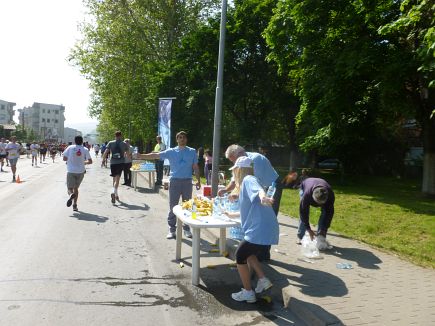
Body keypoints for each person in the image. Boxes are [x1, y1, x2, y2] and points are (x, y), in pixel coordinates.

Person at [228, 156, 279, 303]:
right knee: (248, 254)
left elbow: (259, 194)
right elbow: (249, 208)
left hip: (259, 229)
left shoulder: (248, 179)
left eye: (235, 170)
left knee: (239, 255)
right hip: (264, 227)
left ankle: (248, 292)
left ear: (239, 170)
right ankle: (263, 280)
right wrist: (230, 214)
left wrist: (264, 198)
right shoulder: (250, 180)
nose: (234, 173)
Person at [218, 144, 282, 260]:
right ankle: (255, 252)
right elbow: (236, 180)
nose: (234, 164)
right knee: (256, 215)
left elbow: (253, 185)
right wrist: (225, 190)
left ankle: (263, 253)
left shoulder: (254, 160)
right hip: (261, 189)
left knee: (266, 217)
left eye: (234, 161)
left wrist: (238, 195)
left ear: (239, 154)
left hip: (271, 186)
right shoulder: (242, 162)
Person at [138, 131, 201, 239]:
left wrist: (198, 180)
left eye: (184, 137)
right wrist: (141, 156)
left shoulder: (192, 151)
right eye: (180, 137)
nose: (182, 139)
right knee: (173, 206)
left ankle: (186, 228)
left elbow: (195, 166)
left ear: (186, 139)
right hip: (175, 181)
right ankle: (172, 229)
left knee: (188, 205)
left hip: (187, 182)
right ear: (177, 140)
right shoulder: (171, 151)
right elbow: (156, 155)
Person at [296, 177, 335, 244]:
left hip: (319, 184)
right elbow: (303, 212)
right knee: (303, 213)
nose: (319, 205)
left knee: (325, 212)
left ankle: (320, 236)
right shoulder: (307, 195)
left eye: (321, 203)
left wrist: (324, 229)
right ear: (313, 197)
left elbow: (329, 214)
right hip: (305, 185)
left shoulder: (330, 196)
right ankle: (300, 236)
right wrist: (308, 229)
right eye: (317, 202)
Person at [63, 135, 93, 211]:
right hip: (80, 171)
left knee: (70, 188)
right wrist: (84, 162)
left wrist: (70, 159)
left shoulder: (70, 147)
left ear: (74, 141)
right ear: (82, 141)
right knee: (76, 188)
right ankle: (75, 205)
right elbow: (90, 161)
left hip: (71, 171)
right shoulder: (85, 149)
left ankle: (70, 195)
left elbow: (64, 158)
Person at [102, 131, 129, 203]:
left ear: (115, 136)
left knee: (114, 179)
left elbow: (105, 152)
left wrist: (103, 160)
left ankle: (116, 194)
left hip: (113, 163)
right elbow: (127, 154)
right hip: (120, 163)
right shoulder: (124, 144)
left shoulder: (110, 143)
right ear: (121, 136)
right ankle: (114, 193)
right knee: (117, 180)